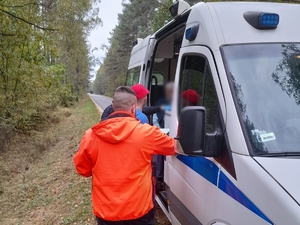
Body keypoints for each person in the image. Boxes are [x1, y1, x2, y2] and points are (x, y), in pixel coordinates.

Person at [74, 86, 175, 225]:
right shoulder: (148, 133)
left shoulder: (90, 136)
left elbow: (83, 170)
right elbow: (173, 147)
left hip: (106, 213)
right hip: (140, 212)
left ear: (112, 107)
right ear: (134, 108)